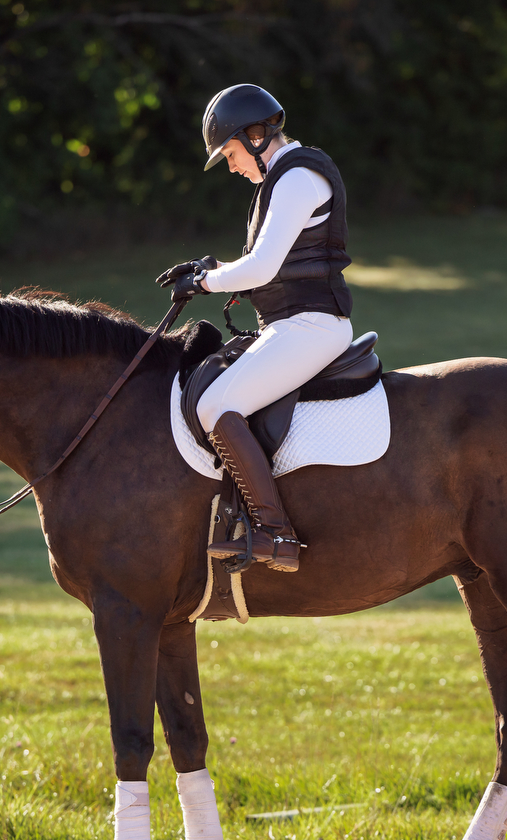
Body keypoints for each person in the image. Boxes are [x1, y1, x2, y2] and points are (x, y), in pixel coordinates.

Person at [156, 83, 356, 574]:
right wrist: (216, 270)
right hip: (295, 325)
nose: (231, 166)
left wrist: (204, 279)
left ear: (256, 134)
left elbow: (262, 267)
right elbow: (267, 264)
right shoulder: (284, 178)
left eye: (230, 153)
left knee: (214, 405)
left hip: (312, 326)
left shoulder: (295, 178)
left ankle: (275, 533)